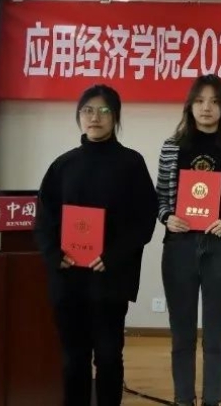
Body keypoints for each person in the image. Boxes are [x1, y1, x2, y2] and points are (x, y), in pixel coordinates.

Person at [34, 84, 158, 406]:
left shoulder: (131, 163)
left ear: (115, 117)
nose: (95, 117)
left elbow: (144, 219)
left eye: (104, 111)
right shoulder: (63, 165)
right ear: (79, 116)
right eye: (88, 110)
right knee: (73, 358)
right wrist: (53, 253)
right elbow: (44, 218)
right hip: (68, 279)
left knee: (108, 356)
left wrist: (114, 255)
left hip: (110, 279)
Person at [155, 74, 221, 406]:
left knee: (215, 337)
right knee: (181, 336)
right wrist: (166, 216)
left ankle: (214, 400)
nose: (206, 108)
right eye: (200, 101)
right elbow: (159, 198)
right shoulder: (172, 147)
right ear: (190, 105)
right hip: (179, 247)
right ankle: (183, 399)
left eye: (214, 101)